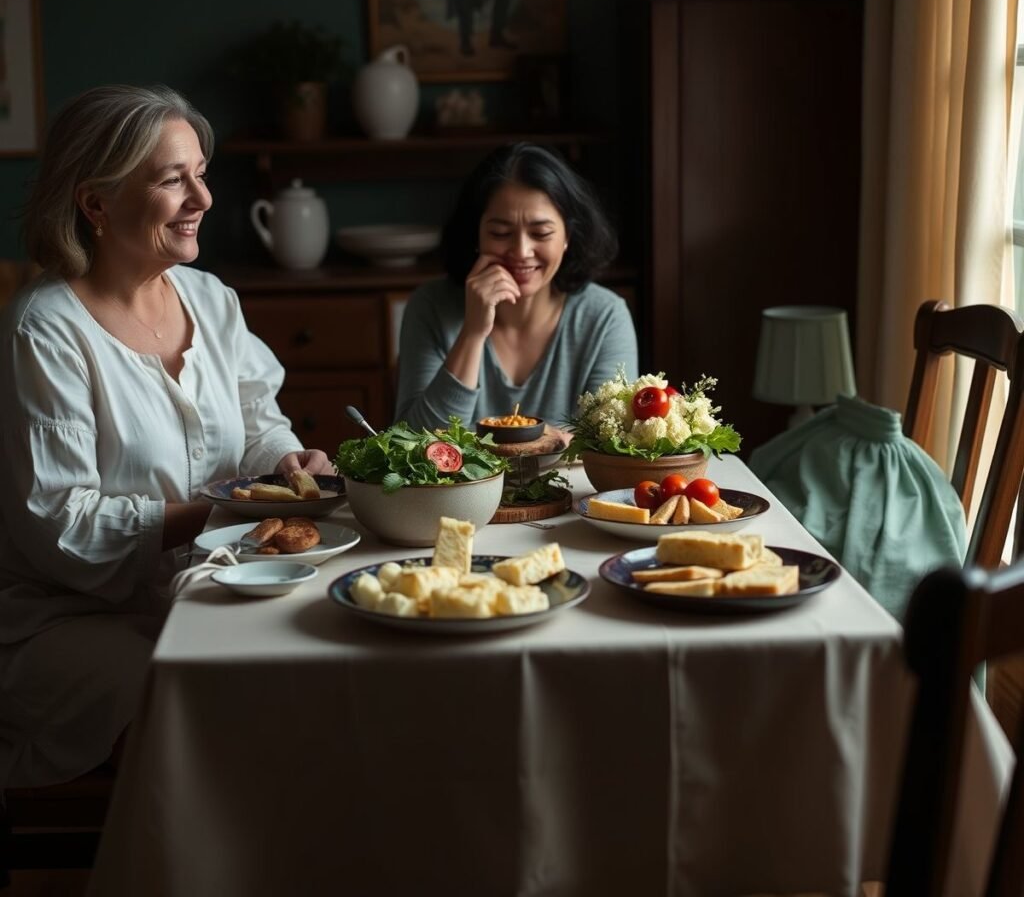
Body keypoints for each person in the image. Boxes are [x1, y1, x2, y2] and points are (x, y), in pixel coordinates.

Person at [0, 84, 332, 790]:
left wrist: (284, 461)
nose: (203, 198)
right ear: (95, 204)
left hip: (205, 587)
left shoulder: (211, 300)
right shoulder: (46, 329)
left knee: (307, 686)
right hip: (71, 620)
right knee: (193, 724)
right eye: (171, 179)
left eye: (201, 172)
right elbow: (58, 526)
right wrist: (227, 509)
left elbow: (253, 423)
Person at [395, 142, 638, 433]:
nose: (521, 251)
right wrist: (472, 333)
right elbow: (412, 442)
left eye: (540, 233)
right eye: (500, 233)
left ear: (567, 237)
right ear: (476, 234)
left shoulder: (605, 317)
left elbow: (611, 442)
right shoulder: (430, 307)